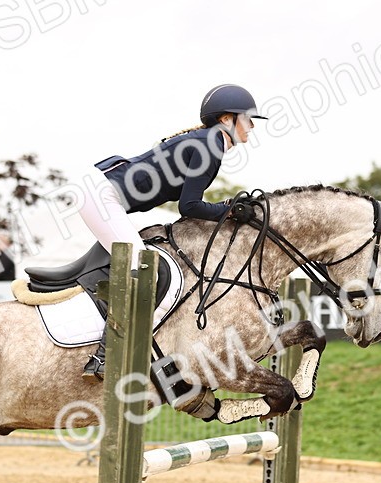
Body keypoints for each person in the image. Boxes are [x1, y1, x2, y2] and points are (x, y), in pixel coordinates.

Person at [80, 84, 265, 379]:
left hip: (98, 191)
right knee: (145, 271)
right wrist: (227, 210)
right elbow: (189, 207)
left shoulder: (205, 141)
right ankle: (105, 356)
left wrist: (224, 209)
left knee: (136, 265)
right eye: (248, 119)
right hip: (100, 197)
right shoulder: (210, 146)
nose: (253, 126)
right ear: (227, 119)